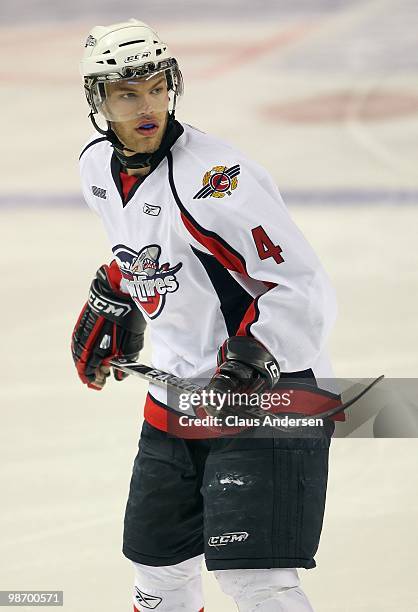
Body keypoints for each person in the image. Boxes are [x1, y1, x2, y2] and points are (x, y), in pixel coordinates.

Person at [72, 18, 339, 612]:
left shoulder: (216, 181)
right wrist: (117, 292)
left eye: (157, 87)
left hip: (272, 394)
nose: (148, 105)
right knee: (157, 571)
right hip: (179, 395)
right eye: (127, 93)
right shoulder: (96, 168)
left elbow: (301, 284)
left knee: (256, 583)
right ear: (98, 99)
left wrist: (255, 355)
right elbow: (145, 247)